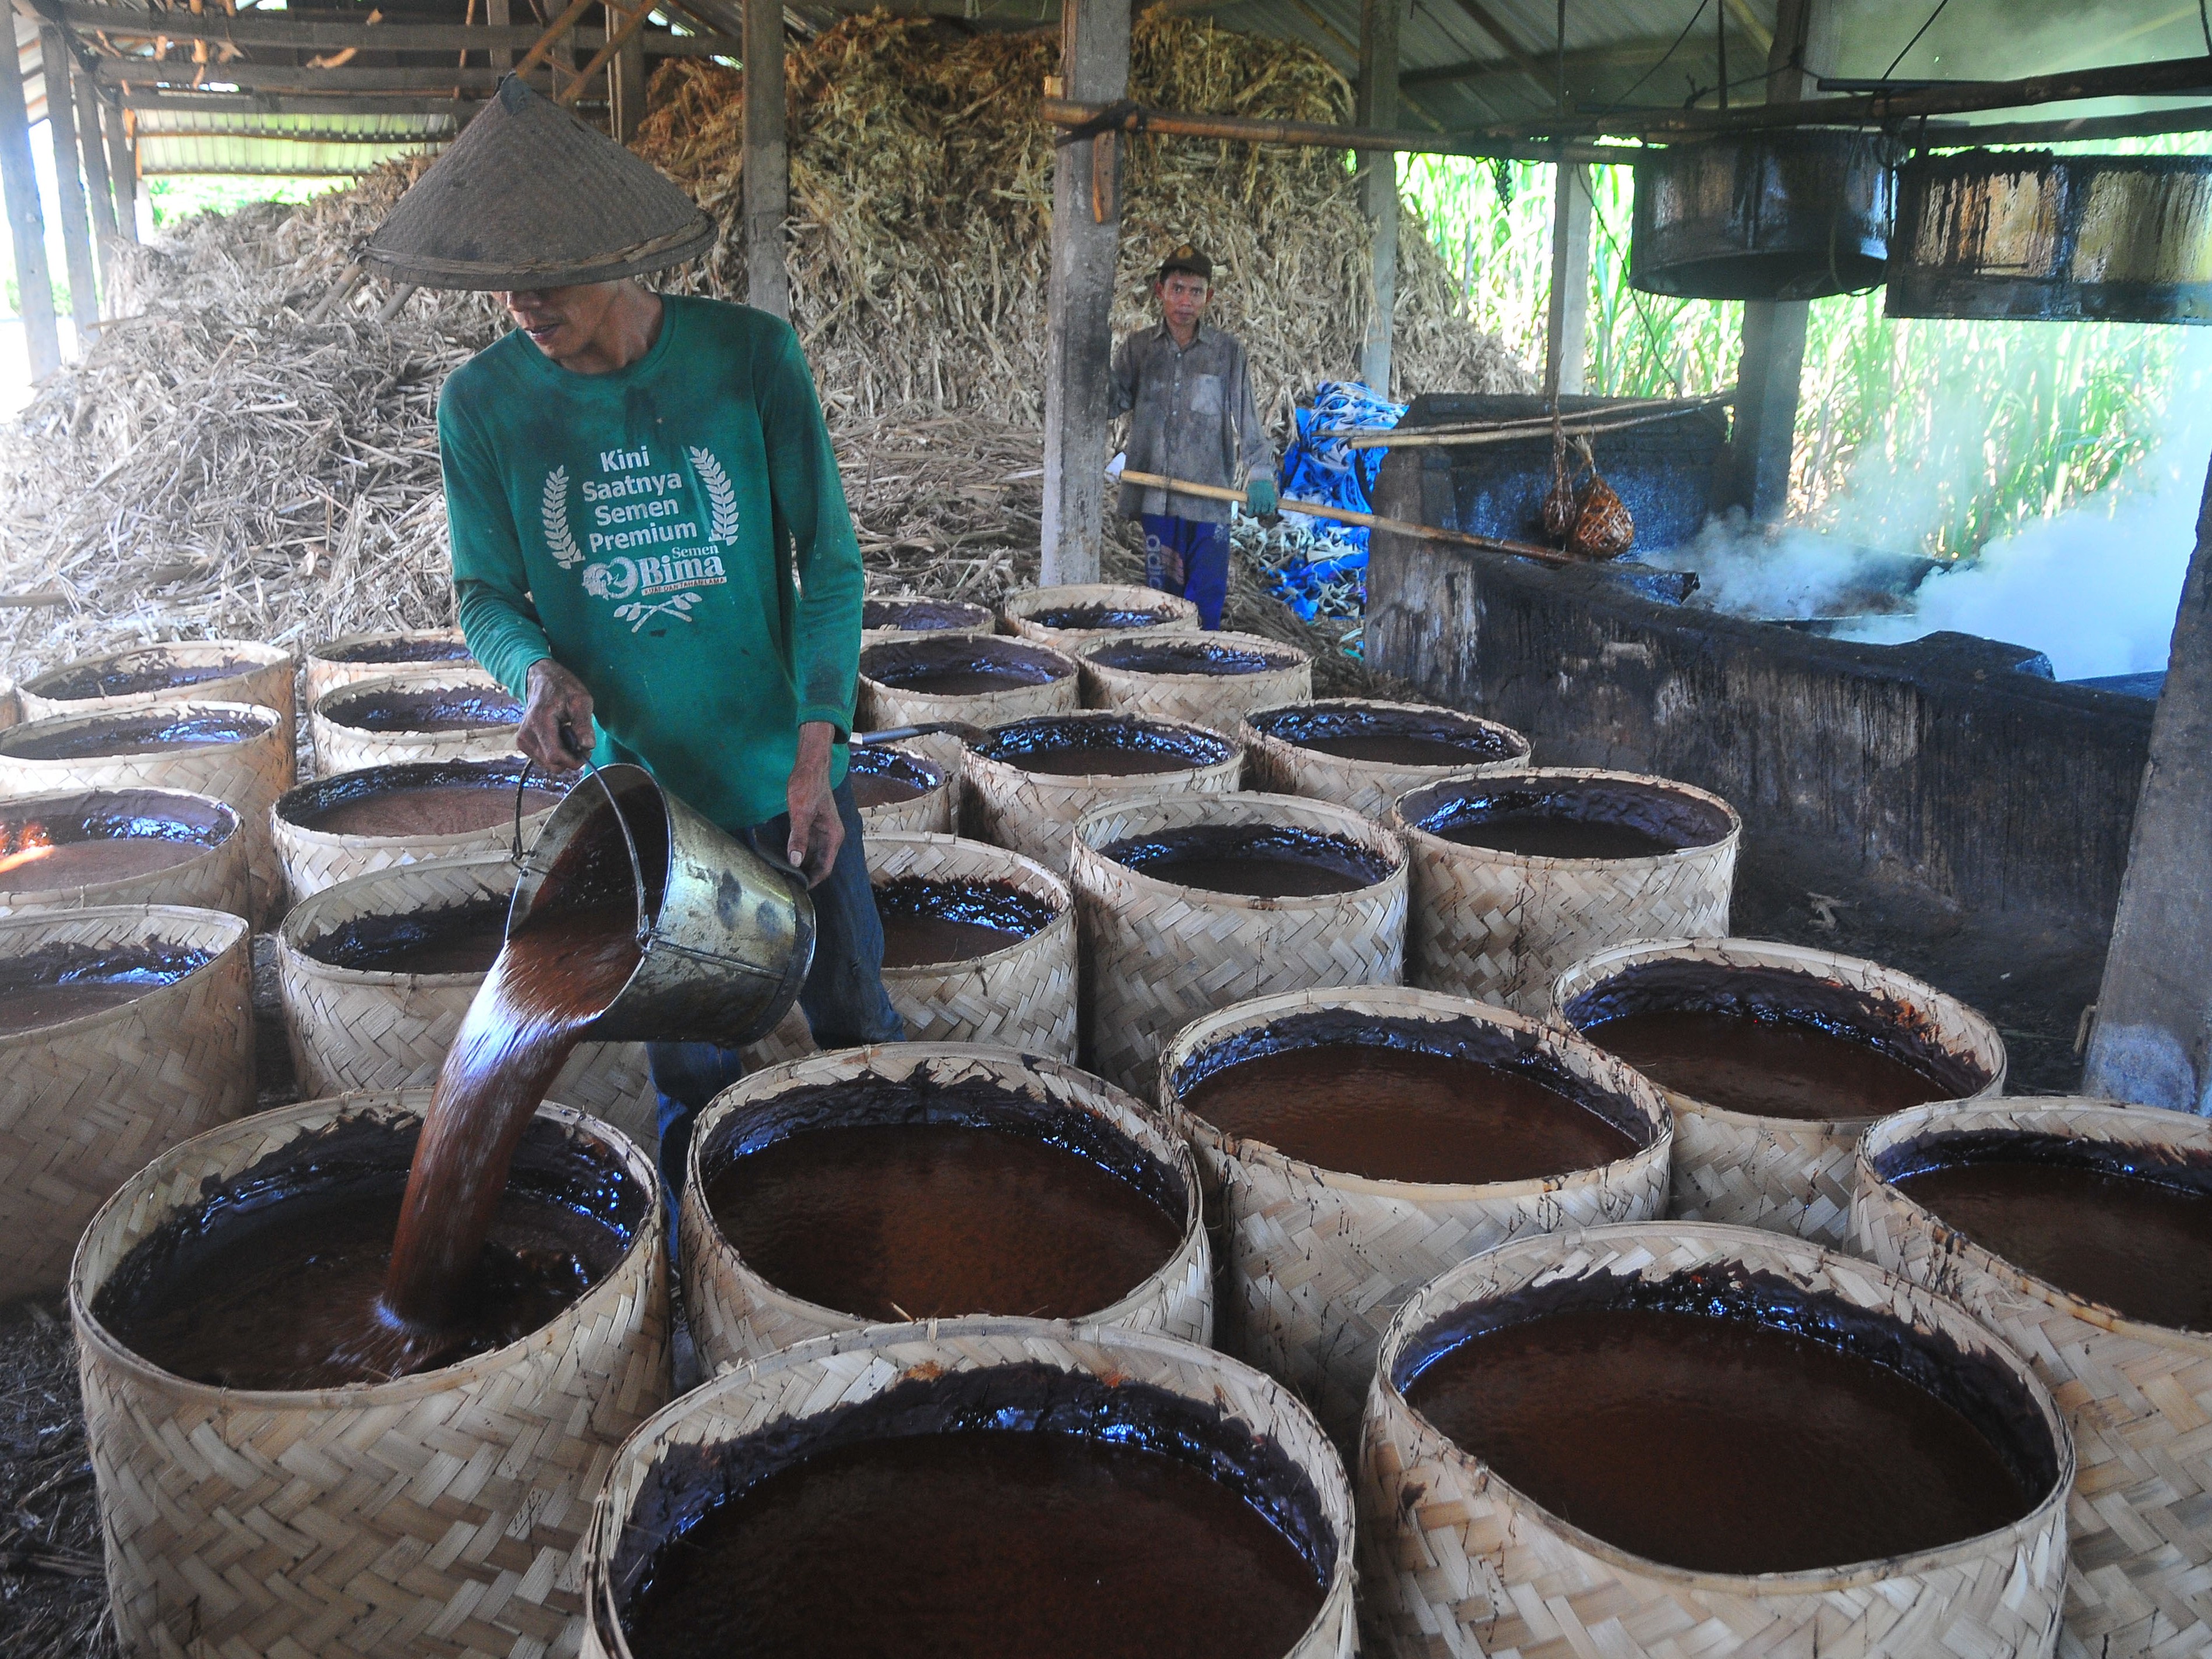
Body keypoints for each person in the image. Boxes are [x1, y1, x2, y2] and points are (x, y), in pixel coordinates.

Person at [366, 76, 901, 1212]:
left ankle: (889, 1232)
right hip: (644, 807)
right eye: (500, 280)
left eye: (547, 274)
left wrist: (817, 755)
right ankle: (704, 1292)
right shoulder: (484, 406)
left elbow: (833, 566)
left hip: (781, 773)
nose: (521, 302)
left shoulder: (748, 360)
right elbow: (484, 596)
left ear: (620, 255)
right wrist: (534, 667)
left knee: (857, 1020)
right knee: (695, 1077)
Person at [1111, 243, 1277, 630]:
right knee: (1162, 602)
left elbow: (1247, 418)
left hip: (1207, 500)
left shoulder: (1226, 354)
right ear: (1160, 292)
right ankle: (1164, 672)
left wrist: (1260, 474)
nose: (1186, 300)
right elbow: (1111, 402)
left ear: (1209, 297)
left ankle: (1201, 672)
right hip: (1156, 497)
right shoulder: (1138, 350)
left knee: (1205, 599)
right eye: (1177, 289)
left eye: (1196, 291)